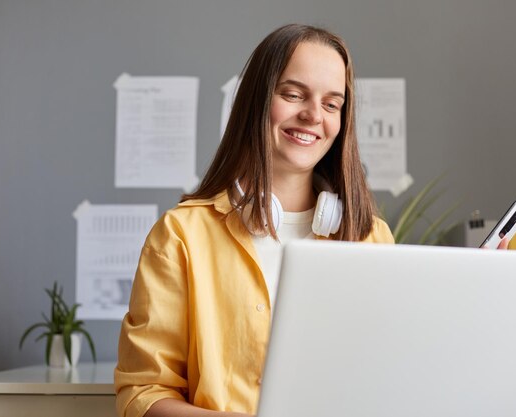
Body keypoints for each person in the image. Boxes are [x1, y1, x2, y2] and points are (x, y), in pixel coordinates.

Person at [116, 22, 449, 417]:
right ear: (257, 101)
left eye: (331, 104)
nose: (312, 115)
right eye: (294, 95)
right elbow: (143, 395)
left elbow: (395, 374)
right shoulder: (182, 236)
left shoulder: (371, 238)